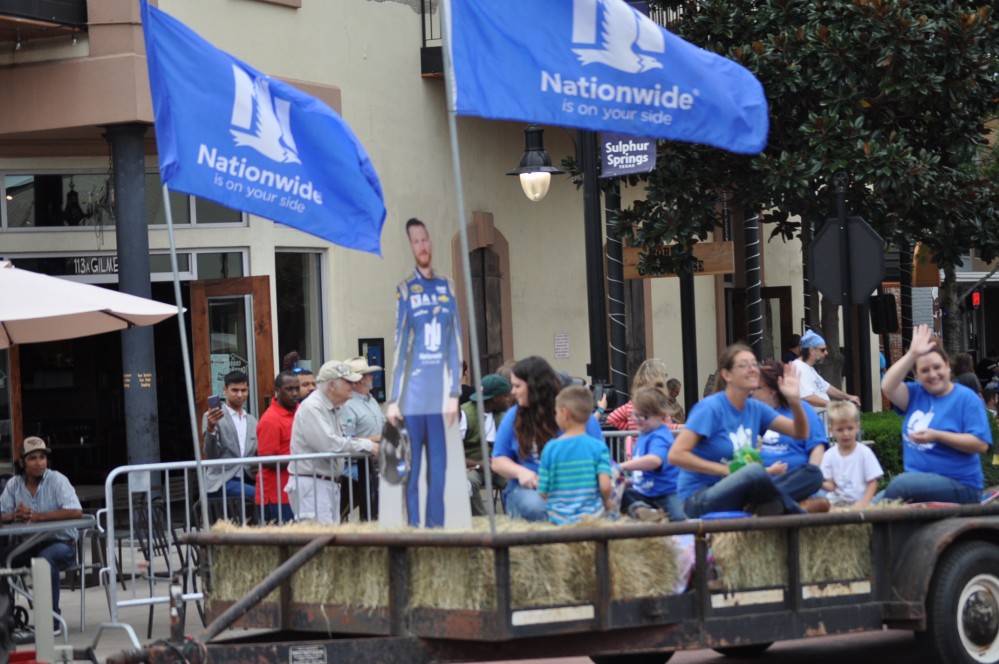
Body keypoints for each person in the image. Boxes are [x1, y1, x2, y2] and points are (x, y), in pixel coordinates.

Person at [668, 344, 810, 517]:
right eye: (744, 365)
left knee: (811, 474)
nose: (752, 369)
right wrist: (725, 470)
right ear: (727, 375)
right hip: (700, 498)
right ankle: (796, 516)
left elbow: (800, 433)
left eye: (754, 364)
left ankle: (771, 507)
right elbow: (675, 455)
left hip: (739, 492)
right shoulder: (710, 408)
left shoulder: (756, 408)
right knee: (753, 471)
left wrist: (794, 401)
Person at [386, 218, 463, 528]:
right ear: (410, 247)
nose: (423, 246)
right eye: (416, 241)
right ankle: (414, 531)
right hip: (414, 397)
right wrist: (394, 399)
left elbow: (455, 342)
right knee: (413, 469)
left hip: (440, 395)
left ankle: (438, 532)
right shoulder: (405, 290)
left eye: (425, 239)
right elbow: (400, 345)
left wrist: (454, 392)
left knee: (440, 471)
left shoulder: (447, 286)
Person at [878, 324, 991, 504]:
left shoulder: (966, 399)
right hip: (918, 482)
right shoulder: (915, 393)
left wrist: (937, 435)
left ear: (947, 366)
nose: (932, 374)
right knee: (870, 506)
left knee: (899, 486)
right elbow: (887, 387)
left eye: (937, 367)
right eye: (924, 370)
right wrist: (912, 354)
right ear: (916, 374)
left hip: (961, 485)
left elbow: (980, 444)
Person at [491, 356, 604, 521]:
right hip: (530, 490)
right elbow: (498, 460)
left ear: (534, 387)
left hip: (576, 488)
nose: (512, 392)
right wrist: (521, 472)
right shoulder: (513, 416)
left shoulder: (582, 418)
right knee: (538, 506)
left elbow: (600, 459)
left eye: (517, 386)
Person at [0, 437, 83, 635]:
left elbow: (75, 511)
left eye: (42, 457)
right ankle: (7, 617)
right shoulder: (14, 484)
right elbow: (2, 513)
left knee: (45, 559)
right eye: (33, 458)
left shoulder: (57, 479)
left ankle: (51, 620)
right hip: (30, 544)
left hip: (62, 544)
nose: (39, 463)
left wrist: (38, 517)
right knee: (3, 558)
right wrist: (14, 516)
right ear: (22, 463)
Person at [287, 361, 379, 523]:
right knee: (319, 540)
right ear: (331, 385)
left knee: (328, 539)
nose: (353, 385)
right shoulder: (313, 408)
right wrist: (368, 446)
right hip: (313, 484)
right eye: (348, 382)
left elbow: (336, 442)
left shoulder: (329, 407)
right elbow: (330, 444)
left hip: (324, 483)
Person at [754, 360, 829, 509]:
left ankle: (770, 502)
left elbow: (817, 448)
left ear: (772, 389)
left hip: (795, 483)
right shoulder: (754, 412)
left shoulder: (803, 410)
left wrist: (809, 480)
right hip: (763, 481)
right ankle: (774, 502)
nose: (751, 392)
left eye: (757, 388)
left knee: (812, 477)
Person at [537, 386, 613, 524]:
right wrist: (607, 502)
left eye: (556, 412)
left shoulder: (550, 448)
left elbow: (543, 491)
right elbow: (605, 486)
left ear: (565, 413)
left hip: (559, 521)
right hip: (592, 520)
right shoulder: (599, 447)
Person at [618, 388, 684, 522]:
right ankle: (645, 512)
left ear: (660, 415)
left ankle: (652, 515)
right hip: (645, 492)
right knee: (622, 494)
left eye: (643, 416)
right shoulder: (644, 434)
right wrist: (629, 482)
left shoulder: (658, 436)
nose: (637, 420)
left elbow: (655, 460)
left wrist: (621, 466)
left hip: (665, 493)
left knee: (679, 521)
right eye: (634, 415)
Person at [338, 356, 386, 520]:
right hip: (353, 465)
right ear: (358, 380)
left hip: (373, 462)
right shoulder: (347, 404)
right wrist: (374, 439)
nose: (372, 377)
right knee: (374, 489)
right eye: (368, 375)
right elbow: (344, 438)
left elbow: (384, 424)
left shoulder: (371, 400)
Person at [605, 359, 679, 460]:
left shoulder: (632, 403)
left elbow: (611, 418)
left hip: (638, 452)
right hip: (657, 452)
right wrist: (685, 427)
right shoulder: (655, 402)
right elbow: (663, 427)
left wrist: (633, 428)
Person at [459, 374, 510, 516]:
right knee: (467, 483)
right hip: (473, 468)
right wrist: (477, 464)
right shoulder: (466, 414)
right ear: (496, 398)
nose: (508, 400)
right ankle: (483, 522)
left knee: (516, 480)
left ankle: (513, 521)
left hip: (497, 467)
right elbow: (452, 452)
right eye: (505, 396)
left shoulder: (502, 416)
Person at [202, 370, 258, 499]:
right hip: (221, 480)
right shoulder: (212, 416)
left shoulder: (252, 420)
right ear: (225, 390)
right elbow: (211, 455)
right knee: (258, 495)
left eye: (244, 390)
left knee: (271, 495)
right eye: (235, 390)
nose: (240, 395)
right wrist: (211, 429)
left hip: (249, 477)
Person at [255, 371, 299, 524]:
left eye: (297, 388)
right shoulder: (270, 419)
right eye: (289, 389)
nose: (294, 393)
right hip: (276, 495)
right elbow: (267, 460)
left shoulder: (300, 411)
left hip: (295, 491)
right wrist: (301, 460)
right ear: (278, 390)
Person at [820, 402, 883, 507]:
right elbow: (830, 485)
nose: (846, 434)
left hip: (861, 500)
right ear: (831, 430)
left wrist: (864, 502)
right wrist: (817, 483)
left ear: (857, 427)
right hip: (836, 503)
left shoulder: (864, 453)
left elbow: (873, 481)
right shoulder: (829, 455)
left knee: (885, 495)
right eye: (840, 430)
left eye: (850, 428)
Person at [792, 330, 861, 408]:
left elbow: (827, 387)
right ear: (812, 350)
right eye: (822, 350)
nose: (826, 353)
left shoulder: (809, 368)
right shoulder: (798, 367)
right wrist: (836, 405)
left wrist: (848, 397)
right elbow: (807, 397)